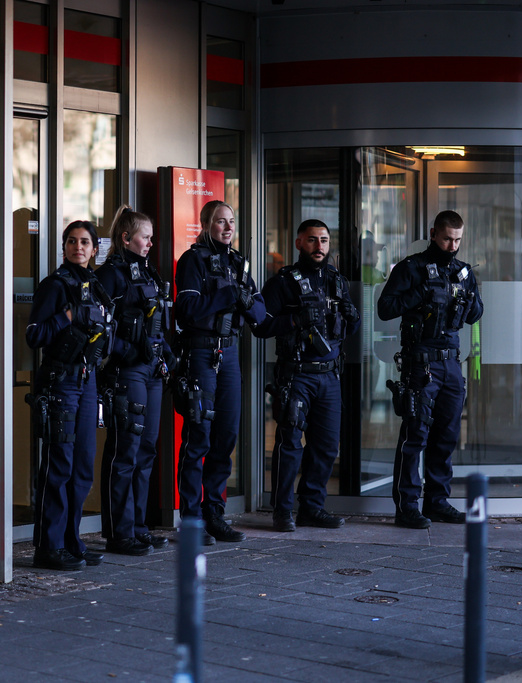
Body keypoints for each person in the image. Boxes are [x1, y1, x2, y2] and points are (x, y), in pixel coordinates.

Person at [377, 210, 483, 529]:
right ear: (434, 233)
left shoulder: (463, 272)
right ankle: (407, 505)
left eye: (458, 240)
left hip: (451, 362)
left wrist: (468, 293)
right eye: (448, 238)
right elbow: (385, 309)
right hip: (421, 361)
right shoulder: (413, 268)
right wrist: (424, 292)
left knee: (447, 434)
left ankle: (436, 501)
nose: (453, 245)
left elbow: (475, 315)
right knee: (416, 433)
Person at [254, 219, 361, 532]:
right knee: (290, 445)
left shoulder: (336, 281)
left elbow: (347, 328)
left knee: (326, 446)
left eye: (324, 240)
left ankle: (312, 508)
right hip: (296, 375)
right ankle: (283, 511)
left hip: (329, 377)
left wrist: (351, 317)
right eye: (312, 240)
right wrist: (294, 320)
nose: (319, 247)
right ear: (299, 243)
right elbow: (260, 326)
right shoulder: (282, 282)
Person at [174, 200, 266, 544]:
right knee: (199, 437)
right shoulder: (193, 260)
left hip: (229, 354)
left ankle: (215, 513)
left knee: (225, 438)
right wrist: (227, 295)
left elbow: (260, 310)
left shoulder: (239, 262)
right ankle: (191, 520)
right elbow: (187, 310)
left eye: (231, 222)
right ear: (205, 224)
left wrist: (244, 300)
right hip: (201, 352)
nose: (227, 227)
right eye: (220, 221)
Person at [26, 220, 114, 570]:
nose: (79, 247)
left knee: (82, 467)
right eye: (72, 242)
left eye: (85, 242)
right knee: (59, 466)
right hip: (60, 381)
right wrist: (67, 315)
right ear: (64, 247)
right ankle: (49, 546)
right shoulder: (55, 285)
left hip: (87, 379)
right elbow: (34, 335)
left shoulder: (96, 285)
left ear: (95, 250)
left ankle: (71, 540)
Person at [95, 206, 175, 555]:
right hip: (127, 370)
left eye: (151, 237)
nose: (150, 243)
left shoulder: (149, 273)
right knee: (125, 451)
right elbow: (96, 326)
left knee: (146, 450)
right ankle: (118, 532)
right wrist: (126, 349)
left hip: (151, 370)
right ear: (126, 238)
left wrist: (167, 357)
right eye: (145, 236)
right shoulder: (110, 274)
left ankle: (138, 526)